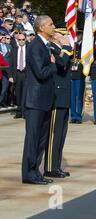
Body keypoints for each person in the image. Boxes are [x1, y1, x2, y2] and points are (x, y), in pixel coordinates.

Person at [21, 15, 57, 185]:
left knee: (41, 139)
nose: (54, 26)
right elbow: (41, 73)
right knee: (33, 139)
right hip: (35, 100)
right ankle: (28, 173)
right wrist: (53, 64)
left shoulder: (45, 45)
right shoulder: (36, 46)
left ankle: (36, 172)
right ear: (41, 28)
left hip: (44, 100)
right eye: (50, 24)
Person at [44, 29, 72, 178]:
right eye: (64, 35)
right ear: (56, 35)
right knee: (54, 134)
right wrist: (67, 48)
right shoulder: (51, 48)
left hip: (64, 96)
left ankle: (56, 166)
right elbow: (61, 63)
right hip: (56, 95)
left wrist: (66, 49)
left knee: (61, 135)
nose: (67, 37)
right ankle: (50, 167)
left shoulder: (60, 49)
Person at [8, 32, 27, 118]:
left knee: (26, 93)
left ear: (25, 39)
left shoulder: (29, 49)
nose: (21, 41)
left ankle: (25, 112)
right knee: (18, 93)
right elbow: (10, 64)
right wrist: (10, 76)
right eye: (19, 39)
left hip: (26, 74)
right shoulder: (14, 49)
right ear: (17, 40)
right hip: (17, 73)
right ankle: (19, 111)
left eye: (23, 39)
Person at [70, 30, 85, 124]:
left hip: (80, 73)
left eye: (79, 34)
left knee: (79, 96)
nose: (78, 36)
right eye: (76, 34)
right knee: (72, 97)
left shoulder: (84, 46)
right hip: (72, 73)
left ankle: (78, 116)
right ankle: (73, 115)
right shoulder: (72, 46)